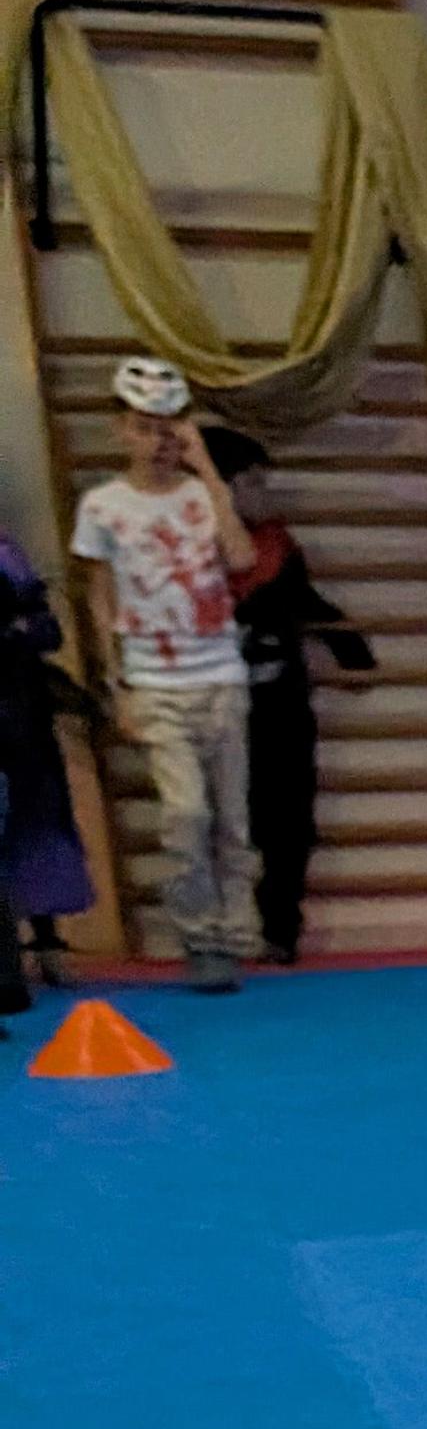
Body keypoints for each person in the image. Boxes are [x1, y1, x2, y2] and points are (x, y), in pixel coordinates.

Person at [71, 356, 261, 991]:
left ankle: (235, 931)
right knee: (186, 814)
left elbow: (241, 557)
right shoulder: (103, 506)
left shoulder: (203, 496)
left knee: (232, 818)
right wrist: (116, 683)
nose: (158, 442)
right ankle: (200, 937)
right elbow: (100, 597)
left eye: (169, 428)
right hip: (156, 683)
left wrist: (208, 472)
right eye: (144, 428)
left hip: (221, 676)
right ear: (121, 430)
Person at [204, 427, 375, 966]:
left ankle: (280, 929)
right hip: (218, 706)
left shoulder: (277, 544)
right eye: (254, 483)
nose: (266, 494)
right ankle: (222, 930)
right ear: (220, 488)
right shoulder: (188, 551)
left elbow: (306, 601)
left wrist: (350, 648)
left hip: (280, 703)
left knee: (291, 820)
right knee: (226, 820)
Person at [0, 520, 101, 1018]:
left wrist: (18, 631)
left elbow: (46, 631)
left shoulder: (8, 555)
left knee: (38, 822)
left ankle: (47, 940)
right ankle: (9, 963)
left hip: (21, 712)